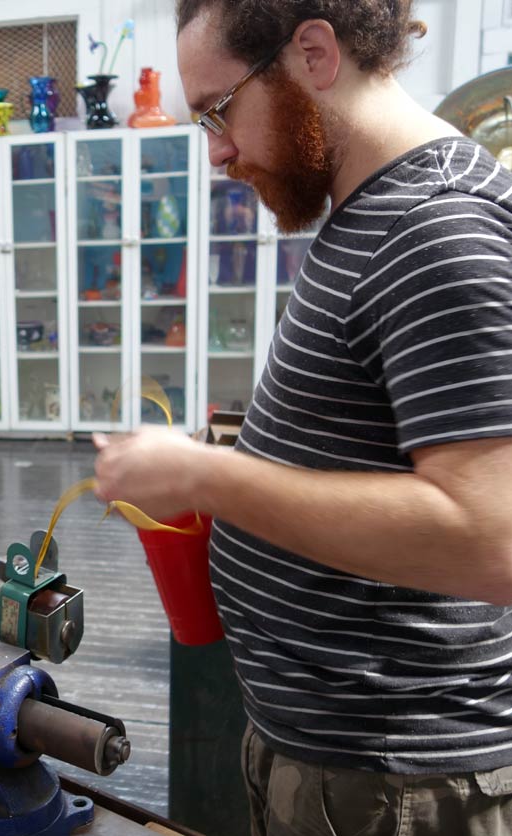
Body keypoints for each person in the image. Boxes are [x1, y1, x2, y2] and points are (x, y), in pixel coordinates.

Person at [94, 2, 512, 834]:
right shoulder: (373, 209)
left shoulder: (438, 230)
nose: (217, 149)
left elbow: (489, 537)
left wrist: (208, 475)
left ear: (315, 54)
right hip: (334, 756)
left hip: (395, 782)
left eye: (219, 109)